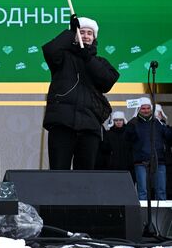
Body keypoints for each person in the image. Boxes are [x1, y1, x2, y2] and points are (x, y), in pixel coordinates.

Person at [43, 14, 119, 170]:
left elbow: (107, 81)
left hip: (89, 126)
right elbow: (50, 50)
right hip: (62, 123)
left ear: (94, 38)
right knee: (58, 172)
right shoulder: (63, 57)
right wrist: (70, 32)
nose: (85, 36)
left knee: (85, 177)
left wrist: (88, 59)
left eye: (89, 33)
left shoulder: (101, 62)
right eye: (82, 32)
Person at [126, 97, 172, 200]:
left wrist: (164, 124)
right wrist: (132, 123)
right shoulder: (133, 123)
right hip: (140, 162)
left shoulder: (158, 123)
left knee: (161, 191)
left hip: (159, 160)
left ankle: (162, 216)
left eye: (148, 108)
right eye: (143, 108)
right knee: (142, 192)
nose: (146, 110)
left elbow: (169, 136)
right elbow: (127, 139)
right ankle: (142, 216)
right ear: (138, 109)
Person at [100, 111, 134, 179]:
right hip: (112, 167)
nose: (118, 122)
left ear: (123, 120)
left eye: (120, 120)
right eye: (116, 120)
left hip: (127, 167)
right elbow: (105, 150)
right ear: (113, 121)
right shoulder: (108, 134)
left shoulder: (129, 134)